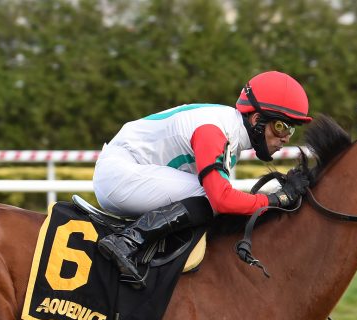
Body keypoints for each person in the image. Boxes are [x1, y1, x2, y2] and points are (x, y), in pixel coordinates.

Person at [93, 70, 313, 287]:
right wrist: (276, 199)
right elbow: (222, 200)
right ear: (256, 119)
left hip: (126, 173)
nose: (285, 138)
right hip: (118, 175)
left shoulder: (229, 129)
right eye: (281, 126)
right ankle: (128, 241)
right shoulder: (214, 131)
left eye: (291, 130)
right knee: (209, 196)